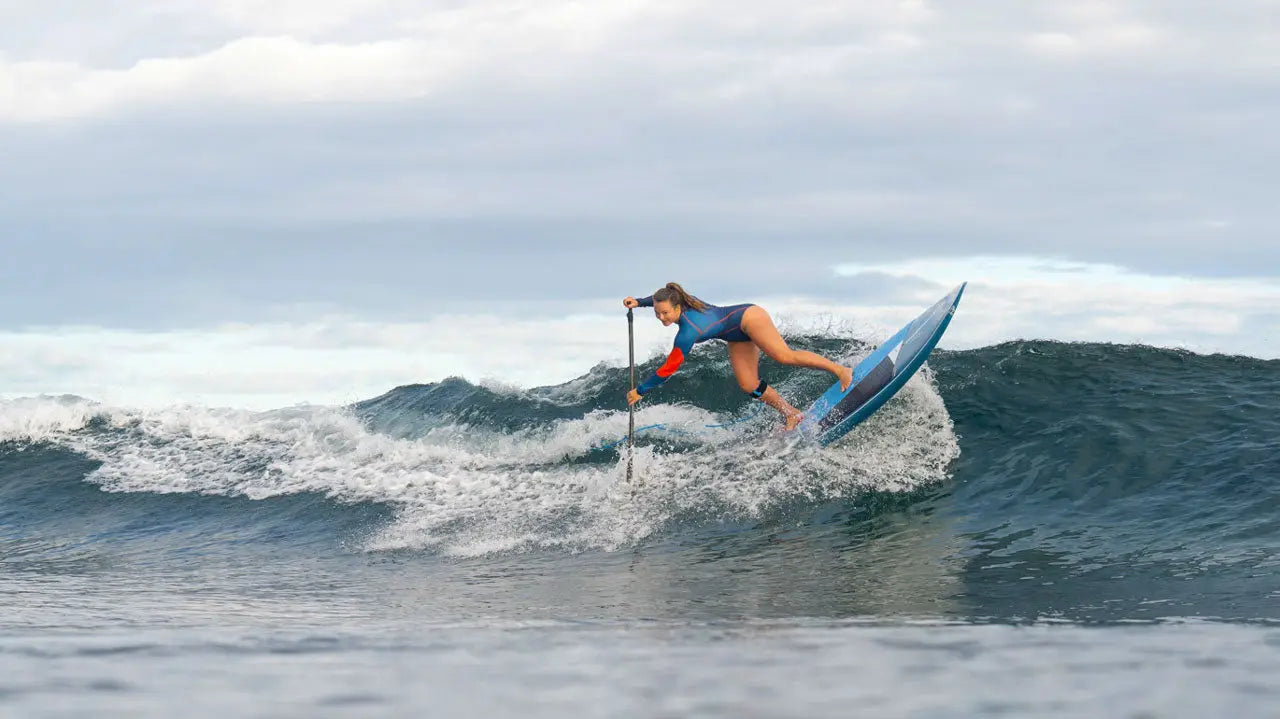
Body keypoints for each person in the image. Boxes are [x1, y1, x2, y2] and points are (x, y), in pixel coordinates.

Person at [624, 282, 854, 431]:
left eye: (665, 313)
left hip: (748, 317)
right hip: (736, 335)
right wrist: (640, 302)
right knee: (748, 384)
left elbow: (668, 369)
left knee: (784, 356)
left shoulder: (687, 333)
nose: (662, 317)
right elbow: (658, 299)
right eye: (657, 313)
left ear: (677, 308)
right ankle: (791, 413)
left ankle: (840, 370)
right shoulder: (681, 300)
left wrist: (641, 391)